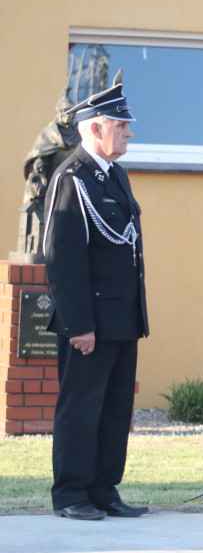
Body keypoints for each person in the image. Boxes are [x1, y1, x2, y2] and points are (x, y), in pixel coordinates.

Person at [42, 84, 149, 520]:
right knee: (81, 409)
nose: (128, 133)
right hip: (90, 322)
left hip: (121, 317)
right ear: (94, 127)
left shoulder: (114, 175)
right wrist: (78, 324)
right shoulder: (71, 179)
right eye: (121, 125)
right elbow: (63, 261)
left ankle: (104, 488)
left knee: (114, 408)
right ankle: (71, 493)